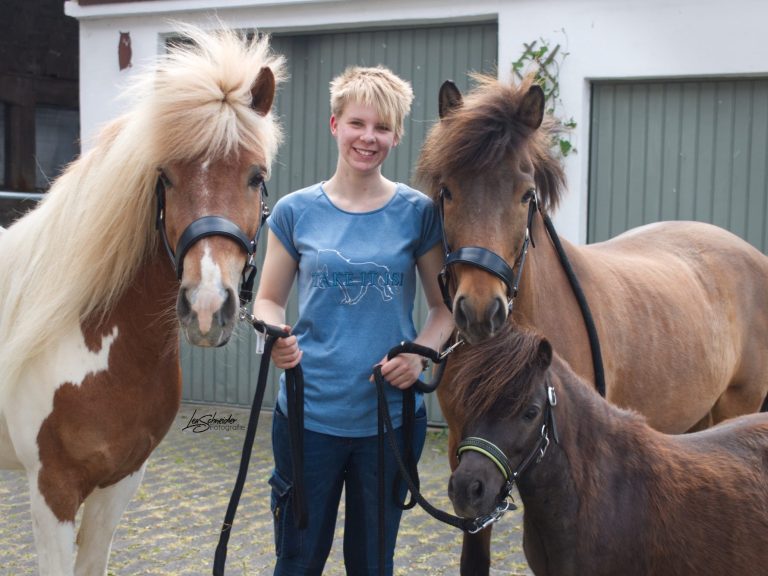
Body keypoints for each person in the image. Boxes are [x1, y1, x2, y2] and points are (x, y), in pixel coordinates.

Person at [252, 65, 454, 575]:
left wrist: (420, 353)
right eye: (357, 123)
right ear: (334, 125)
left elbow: (443, 308)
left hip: (389, 424)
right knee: (297, 561)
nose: (369, 138)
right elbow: (268, 300)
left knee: (371, 563)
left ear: (397, 135)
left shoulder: (419, 213)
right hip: (307, 420)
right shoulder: (297, 212)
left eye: (382, 128)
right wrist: (275, 337)